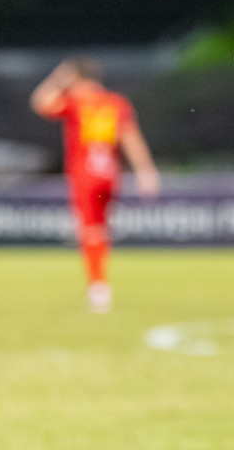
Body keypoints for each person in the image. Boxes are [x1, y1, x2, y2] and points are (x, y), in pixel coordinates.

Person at [31, 59, 160, 313]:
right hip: (110, 174)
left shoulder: (75, 101)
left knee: (89, 230)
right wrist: (146, 171)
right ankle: (99, 284)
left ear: (75, 77)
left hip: (84, 175)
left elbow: (40, 102)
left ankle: (98, 287)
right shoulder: (116, 102)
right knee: (101, 229)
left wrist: (57, 78)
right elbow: (130, 137)